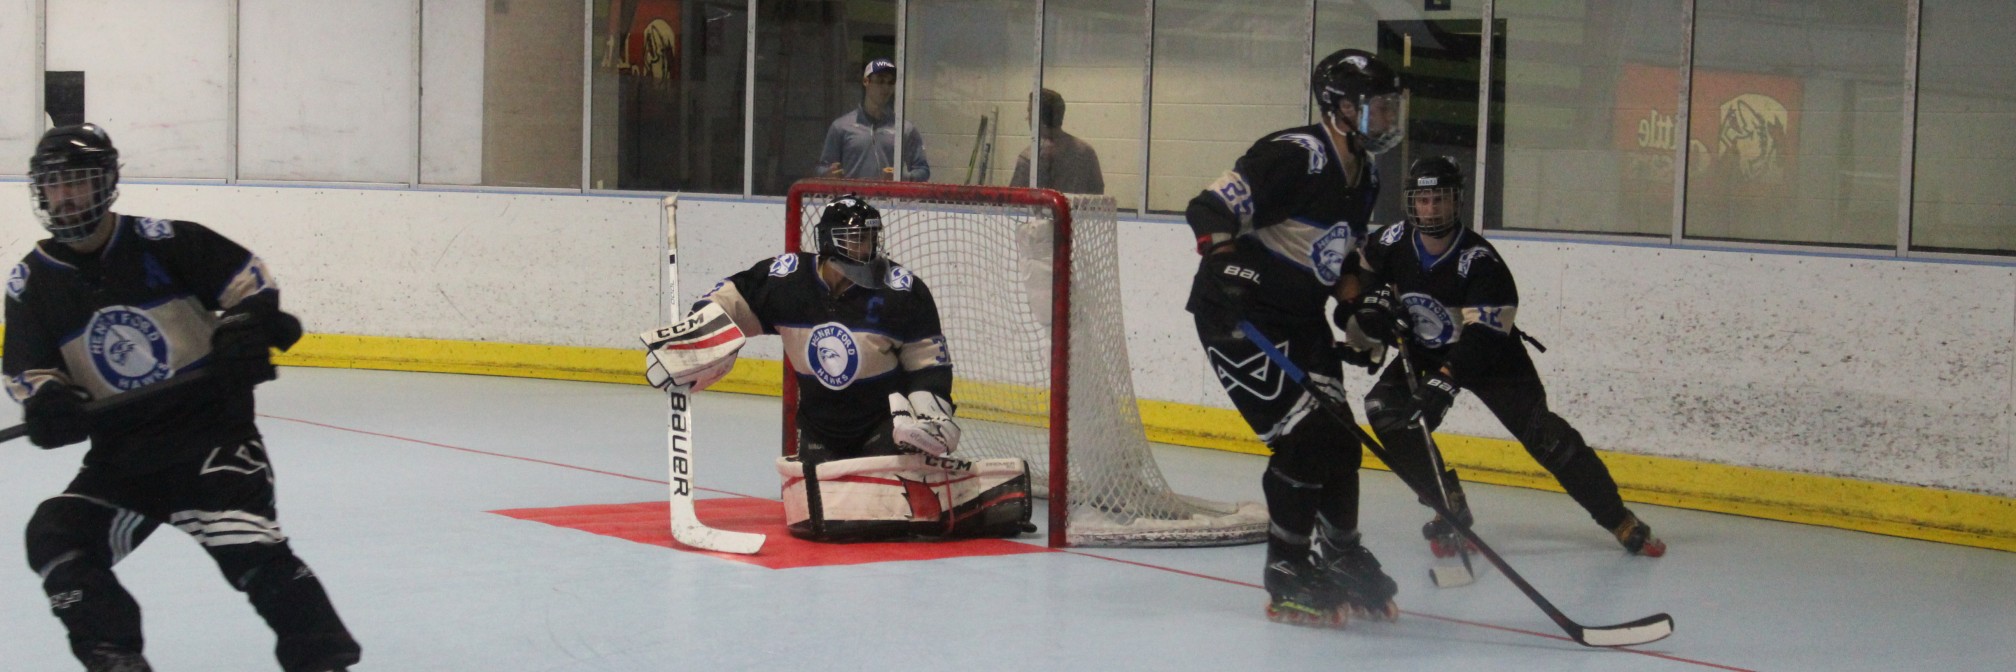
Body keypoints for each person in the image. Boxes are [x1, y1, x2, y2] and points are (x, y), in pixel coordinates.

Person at [5, 124, 360, 672]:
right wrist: (48, 401)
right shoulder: (31, 283)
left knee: (251, 551)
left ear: (107, 183)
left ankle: (324, 660)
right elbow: (30, 368)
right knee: (57, 535)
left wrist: (246, 326)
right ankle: (114, 658)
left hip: (211, 443)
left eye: (77, 181)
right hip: (123, 460)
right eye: (54, 185)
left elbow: (249, 284)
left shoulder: (165, 241)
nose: (65, 196)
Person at [643, 195, 1029, 542]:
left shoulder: (903, 291)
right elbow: (732, 301)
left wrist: (931, 407)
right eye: (854, 239)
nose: (865, 248)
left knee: (890, 520)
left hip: (882, 427)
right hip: (820, 428)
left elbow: (928, 364)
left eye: (869, 239)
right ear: (829, 241)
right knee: (819, 522)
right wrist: (693, 339)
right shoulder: (788, 280)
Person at [1185, 49, 1406, 628]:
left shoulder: (1368, 175)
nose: (1387, 118)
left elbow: (1341, 259)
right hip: (1240, 319)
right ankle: (1286, 566)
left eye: (1390, 107)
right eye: (1378, 107)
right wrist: (1226, 261)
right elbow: (1208, 207)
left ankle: (1340, 548)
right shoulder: (1295, 156)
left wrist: (1362, 308)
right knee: (1306, 438)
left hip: (1300, 318)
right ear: (1340, 109)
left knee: (1341, 442)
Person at [1351, 156, 1667, 560]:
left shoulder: (1479, 261)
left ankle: (1619, 519)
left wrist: (1446, 380)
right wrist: (1374, 298)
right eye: (1423, 200)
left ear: (1457, 202)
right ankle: (1448, 502)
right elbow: (1360, 270)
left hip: (1492, 358)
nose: (1431, 209)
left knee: (1547, 438)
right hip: (1426, 350)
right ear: (1412, 203)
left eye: (1440, 200)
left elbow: (1484, 336)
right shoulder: (1394, 240)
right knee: (1386, 411)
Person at [817, 59, 931, 182]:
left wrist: (902, 178)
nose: (886, 87)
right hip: (852, 199)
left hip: (890, 200)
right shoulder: (841, 126)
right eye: (880, 81)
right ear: (866, 81)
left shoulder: (904, 129)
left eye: (891, 82)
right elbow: (822, 167)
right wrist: (828, 174)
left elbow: (923, 170)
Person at [1008, 88, 1105, 195]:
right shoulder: (1086, 152)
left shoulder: (1030, 158)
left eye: (1029, 112)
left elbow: (1014, 200)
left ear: (1039, 117)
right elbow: (1097, 193)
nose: (1027, 118)